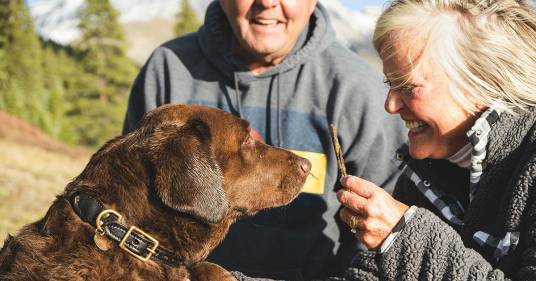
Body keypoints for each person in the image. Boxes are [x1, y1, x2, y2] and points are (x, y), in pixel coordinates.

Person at [122, 0, 406, 280]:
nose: (267, 3)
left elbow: (380, 238)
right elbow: (129, 206)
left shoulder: (357, 89)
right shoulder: (170, 71)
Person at [326, 0, 536, 280]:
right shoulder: (423, 177)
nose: (390, 105)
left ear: (483, 81)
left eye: (408, 86)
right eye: (390, 84)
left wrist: (401, 235)